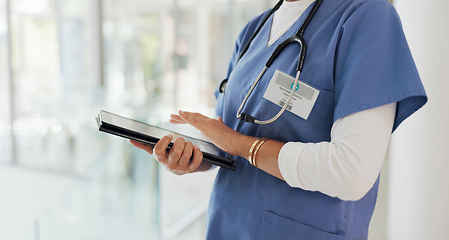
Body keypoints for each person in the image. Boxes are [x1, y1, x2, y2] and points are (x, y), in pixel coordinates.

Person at [131, 0, 427, 239]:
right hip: (228, 224)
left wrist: (239, 144)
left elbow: (351, 173)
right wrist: (192, 156)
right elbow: (228, 141)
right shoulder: (253, 31)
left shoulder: (368, 17)